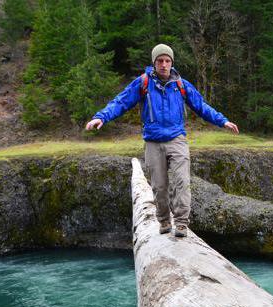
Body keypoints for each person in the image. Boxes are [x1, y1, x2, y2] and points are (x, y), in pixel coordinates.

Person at [86, 43, 239, 238]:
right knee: (159, 186)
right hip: (153, 142)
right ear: (154, 63)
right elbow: (121, 102)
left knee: (182, 181)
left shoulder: (181, 86)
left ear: (172, 63)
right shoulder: (142, 83)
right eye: (160, 61)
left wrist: (223, 121)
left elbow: (202, 106)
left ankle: (182, 223)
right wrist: (102, 117)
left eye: (167, 61)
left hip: (177, 139)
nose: (164, 64)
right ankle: (164, 220)